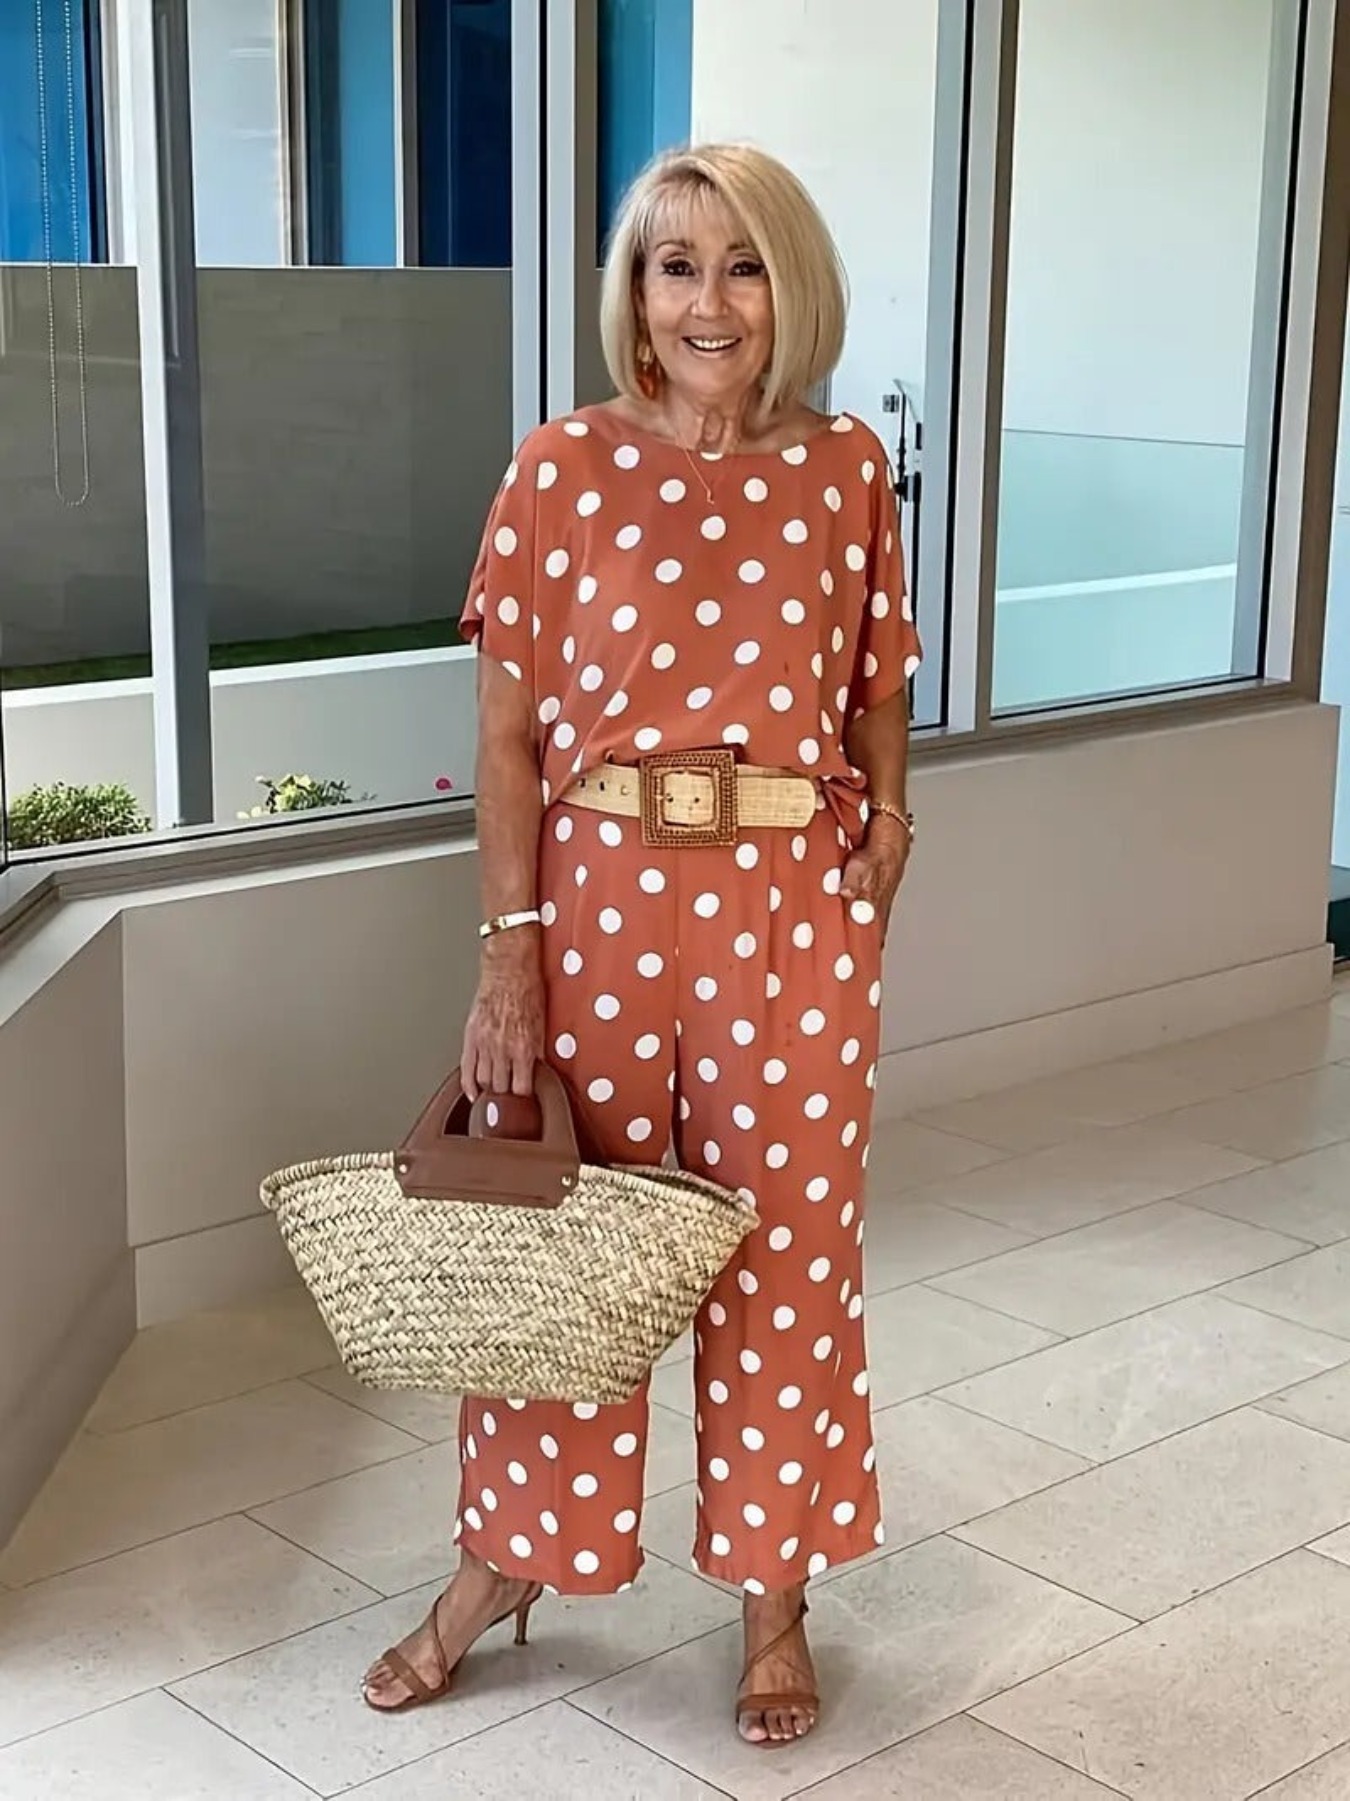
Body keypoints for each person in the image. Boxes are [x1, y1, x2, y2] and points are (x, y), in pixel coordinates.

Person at [362, 141, 921, 1748]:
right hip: (598, 899)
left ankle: (774, 1595)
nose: (707, 301)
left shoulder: (844, 470)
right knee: (565, 1249)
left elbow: (877, 672)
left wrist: (889, 817)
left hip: (790, 910)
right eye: (675, 265)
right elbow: (508, 734)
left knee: (787, 1253)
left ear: (789, 287)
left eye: (742, 264)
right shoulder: (560, 466)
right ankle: (505, 1562)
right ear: (634, 292)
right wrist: (508, 954)